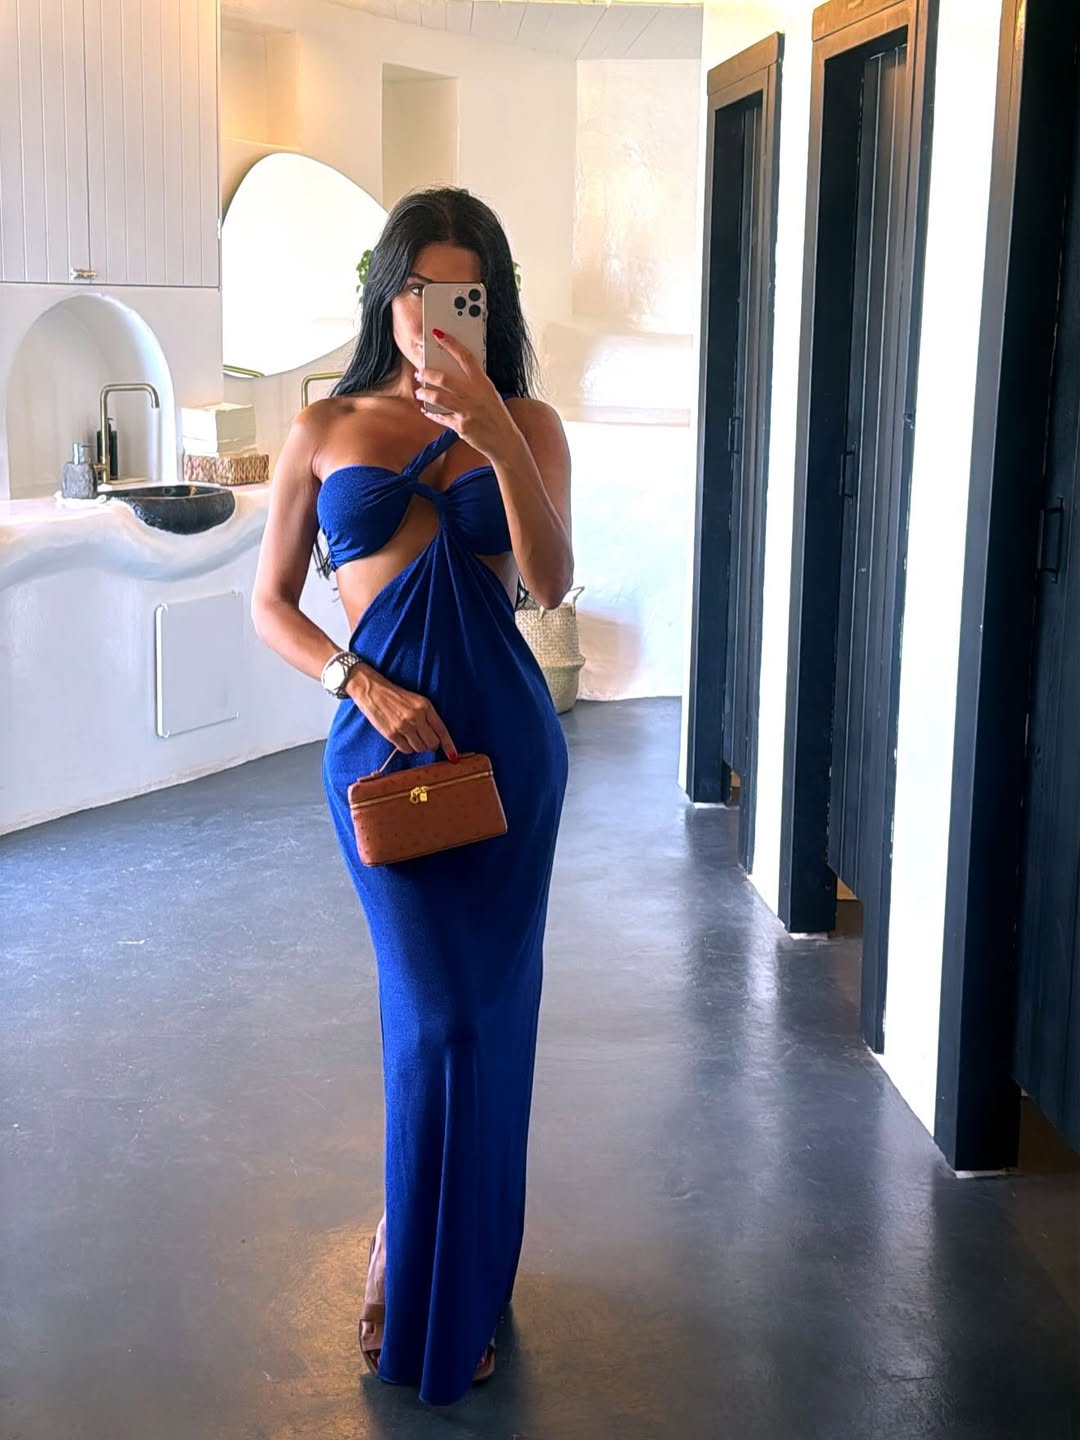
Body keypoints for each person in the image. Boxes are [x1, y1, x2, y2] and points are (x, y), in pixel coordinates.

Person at [251, 187, 572, 1407]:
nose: (437, 311)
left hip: (508, 751)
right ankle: (412, 1245)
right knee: (433, 1020)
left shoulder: (527, 422)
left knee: (490, 1023)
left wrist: (495, 434)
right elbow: (271, 606)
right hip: (381, 756)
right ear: (388, 294)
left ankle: (459, 1269)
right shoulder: (325, 425)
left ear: (492, 302)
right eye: (421, 289)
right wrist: (360, 684)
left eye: (464, 293)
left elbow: (549, 580)